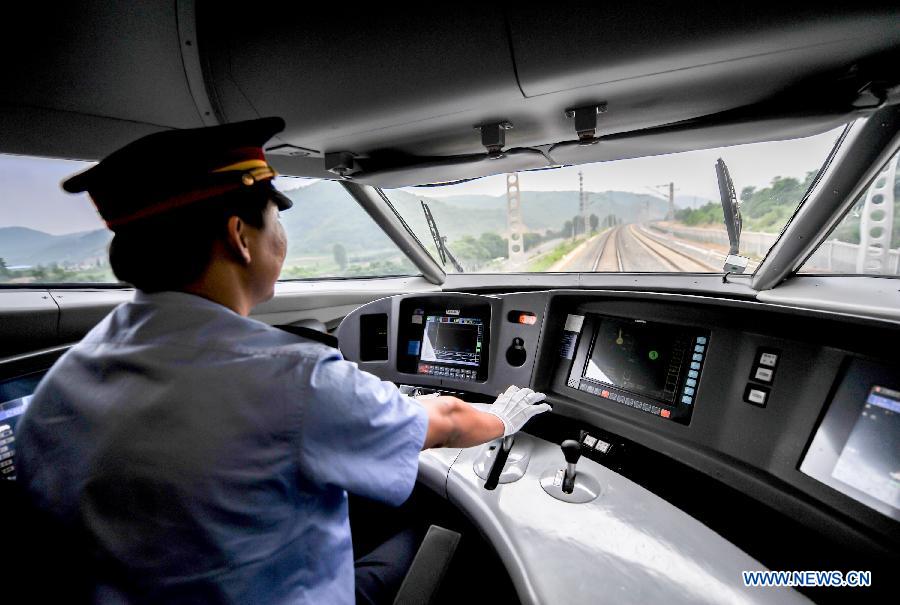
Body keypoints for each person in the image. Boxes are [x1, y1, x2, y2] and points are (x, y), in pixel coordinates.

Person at [14, 117, 550, 604]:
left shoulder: (58, 387)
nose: (282, 236)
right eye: (275, 216)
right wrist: (504, 417)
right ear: (240, 237)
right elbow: (449, 422)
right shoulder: (292, 377)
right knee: (433, 528)